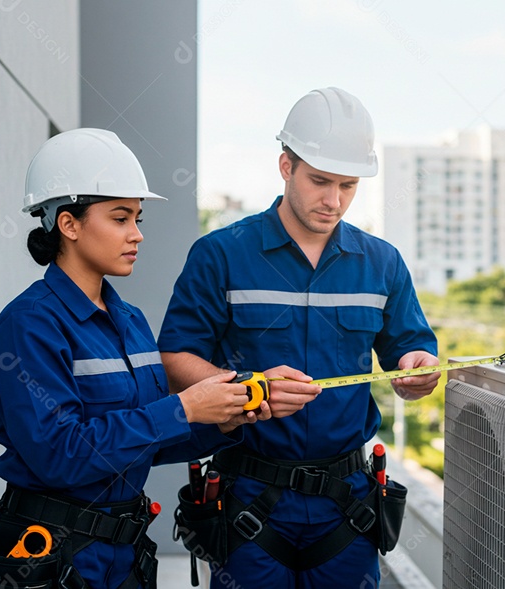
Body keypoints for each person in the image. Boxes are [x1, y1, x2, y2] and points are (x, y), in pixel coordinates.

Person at [159, 88, 439, 587]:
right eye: (320, 181)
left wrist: (418, 368)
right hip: (249, 499)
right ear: (286, 165)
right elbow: (177, 357)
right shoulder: (220, 254)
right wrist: (250, 387)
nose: (334, 201)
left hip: (347, 506)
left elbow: (409, 349)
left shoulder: (382, 263)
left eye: (348, 185)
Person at [0, 128, 268, 589]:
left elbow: (144, 441)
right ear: (68, 225)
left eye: (137, 218)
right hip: (49, 559)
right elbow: (60, 454)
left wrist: (223, 420)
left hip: (124, 555)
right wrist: (185, 407)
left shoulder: (129, 320)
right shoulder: (29, 326)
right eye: (120, 218)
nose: (136, 234)